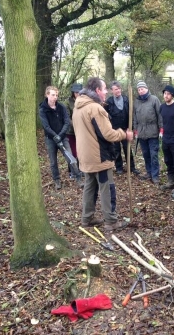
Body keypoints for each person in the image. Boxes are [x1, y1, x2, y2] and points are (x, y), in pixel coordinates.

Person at [72, 77, 133, 230]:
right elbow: (108, 134)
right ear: (98, 90)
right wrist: (124, 135)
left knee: (90, 186)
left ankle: (87, 218)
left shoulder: (78, 106)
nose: (106, 92)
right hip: (99, 157)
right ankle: (111, 221)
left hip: (85, 156)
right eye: (105, 89)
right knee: (107, 188)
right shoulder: (95, 108)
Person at [39, 86, 82, 190]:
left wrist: (60, 135)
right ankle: (57, 180)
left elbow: (67, 122)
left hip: (63, 137)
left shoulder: (61, 107)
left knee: (71, 158)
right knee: (53, 162)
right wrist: (55, 136)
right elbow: (46, 126)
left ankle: (78, 178)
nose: (55, 97)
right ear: (47, 95)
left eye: (56, 95)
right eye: (53, 95)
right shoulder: (43, 109)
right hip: (50, 139)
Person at [105, 81, 140, 176]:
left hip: (126, 130)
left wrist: (131, 128)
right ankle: (119, 167)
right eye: (116, 89)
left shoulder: (126, 99)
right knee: (116, 149)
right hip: (115, 130)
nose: (118, 91)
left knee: (127, 149)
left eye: (119, 88)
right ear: (112, 90)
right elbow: (105, 116)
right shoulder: (109, 102)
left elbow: (131, 114)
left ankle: (131, 167)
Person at [133, 81, 163, 184]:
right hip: (141, 133)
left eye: (142, 89)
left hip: (153, 132)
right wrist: (135, 129)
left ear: (146, 88)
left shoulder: (154, 99)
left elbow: (160, 114)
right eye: (139, 89)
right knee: (146, 154)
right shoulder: (136, 102)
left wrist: (161, 129)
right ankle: (149, 172)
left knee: (153, 154)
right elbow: (135, 117)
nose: (141, 91)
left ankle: (155, 175)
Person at [65, 83, 82, 179]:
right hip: (71, 131)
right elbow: (67, 118)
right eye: (76, 92)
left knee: (80, 151)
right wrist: (76, 125)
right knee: (72, 152)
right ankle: (72, 171)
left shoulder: (83, 101)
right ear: (73, 93)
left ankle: (79, 170)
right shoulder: (68, 102)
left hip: (81, 131)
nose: (78, 94)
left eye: (79, 92)